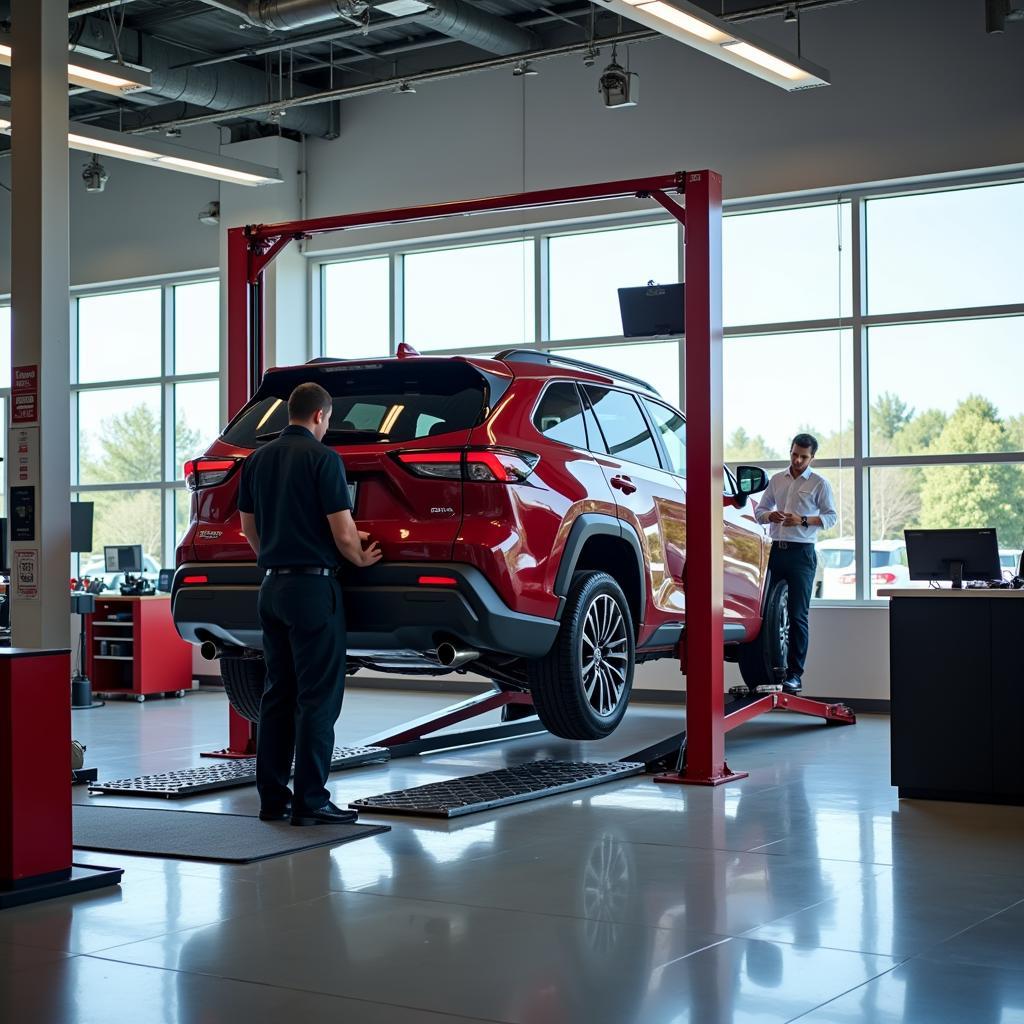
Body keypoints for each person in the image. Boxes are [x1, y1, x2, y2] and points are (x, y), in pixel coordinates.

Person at [237, 382, 382, 826]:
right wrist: (360, 555)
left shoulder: (256, 460)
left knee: (277, 694)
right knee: (317, 697)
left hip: (272, 588)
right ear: (321, 416)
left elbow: (249, 529)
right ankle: (313, 801)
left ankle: (272, 799)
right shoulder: (324, 459)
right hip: (314, 590)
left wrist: (275, 555)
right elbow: (341, 530)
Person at [753, 433, 836, 694]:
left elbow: (831, 518)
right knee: (769, 613)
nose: (798, 460)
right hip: (777, 551)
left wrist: (802, 520)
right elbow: (758, 512)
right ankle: (770, 670)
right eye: (794, 454)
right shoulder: (777, 480)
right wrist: (770, 515)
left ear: (812, 458)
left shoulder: (820, 483)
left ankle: (795, 675)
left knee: (798, 615)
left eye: (804, 456)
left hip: (802, 554)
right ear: (790, 451)